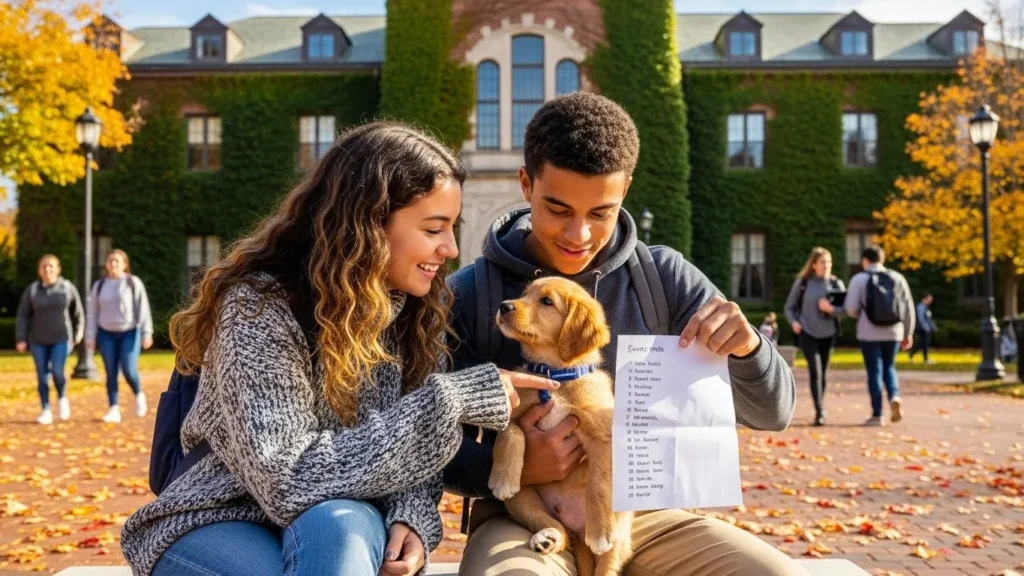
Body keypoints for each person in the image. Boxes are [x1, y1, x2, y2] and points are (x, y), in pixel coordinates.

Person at [120, 122, 557, 576]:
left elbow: (420, 454)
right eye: (433, 229)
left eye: (452, 228)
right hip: (218, 512)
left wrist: (412, 515)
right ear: (368, 224)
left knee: (339, 535)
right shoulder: (258, 309)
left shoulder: (416, 312)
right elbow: (285, 479)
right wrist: (450, 400)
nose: (449, 248)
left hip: (344, 512)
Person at [446, 93, 804, 576]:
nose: (579, 234)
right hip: (521, 517)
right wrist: (516, 466)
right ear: (526, 185)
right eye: (558, 208)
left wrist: (748, 350)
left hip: (642, 509)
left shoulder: (666, 279)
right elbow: (426, 442)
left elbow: (775, 412)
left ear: (625, 191)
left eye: (600, 212)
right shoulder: (471, 294)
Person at [836, 245, 914, 427]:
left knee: (874, 372)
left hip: (868, 332)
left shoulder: (859, 279)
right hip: (894, 331)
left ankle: (877, 414)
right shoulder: (897, 278)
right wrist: (908, 332)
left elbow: (850, 309)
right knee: (889, 367)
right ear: (882, 259)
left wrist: (859, 315)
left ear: (865, 260)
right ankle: (894, 395)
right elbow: (908, 307)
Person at [86, 249, 154, 424]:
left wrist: (147, 332)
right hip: (106, 333)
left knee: (129, 369)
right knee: (110, 372)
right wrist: (90, 336)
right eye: (110, 261)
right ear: (106, 264)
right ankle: (113, 408)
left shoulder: (132, 283)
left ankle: (138, 394)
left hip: (129, 332)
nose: (113, 264)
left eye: (117, 261)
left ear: (124, 264)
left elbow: (143, 308)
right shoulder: (99, 285)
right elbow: (92, 313)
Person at [14, 255, 84, 425]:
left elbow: (78, 313)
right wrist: (21, 338)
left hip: (61, 338)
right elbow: (23, 315)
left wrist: (78, 333)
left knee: (58, 372)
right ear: (39, 270)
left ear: (58, 269)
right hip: (38, 340)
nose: (47, 269)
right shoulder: (32, 290)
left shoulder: (67, 288)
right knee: (42, 376)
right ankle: (45, 409)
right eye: (44, 266)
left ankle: (62, 398)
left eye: (51, 266)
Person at [785, 247, 845, 426]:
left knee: (824, 374)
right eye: (822, 262)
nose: (826, 266)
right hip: (808, 332)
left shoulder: (836, 284)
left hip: (828, 333)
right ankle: (819, 410)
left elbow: (847, 310)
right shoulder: (803, 283)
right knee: (815, 371)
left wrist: (831, 309)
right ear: (813, 264)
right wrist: (794, 322)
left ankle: (820, 404)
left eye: (829, 262)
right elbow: (789, 307)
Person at [909, 294, 937, 363]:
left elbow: (928, 319)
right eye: (929, 299)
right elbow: (921, 318)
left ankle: (913, 354)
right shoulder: (921, 307)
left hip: (925, 328)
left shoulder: (925, 307)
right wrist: (925, 327)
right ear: (924, 298)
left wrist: (933, 327)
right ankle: (925, 359)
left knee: (923, 343)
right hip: (922, 328)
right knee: (925, 343)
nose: (930, 301)